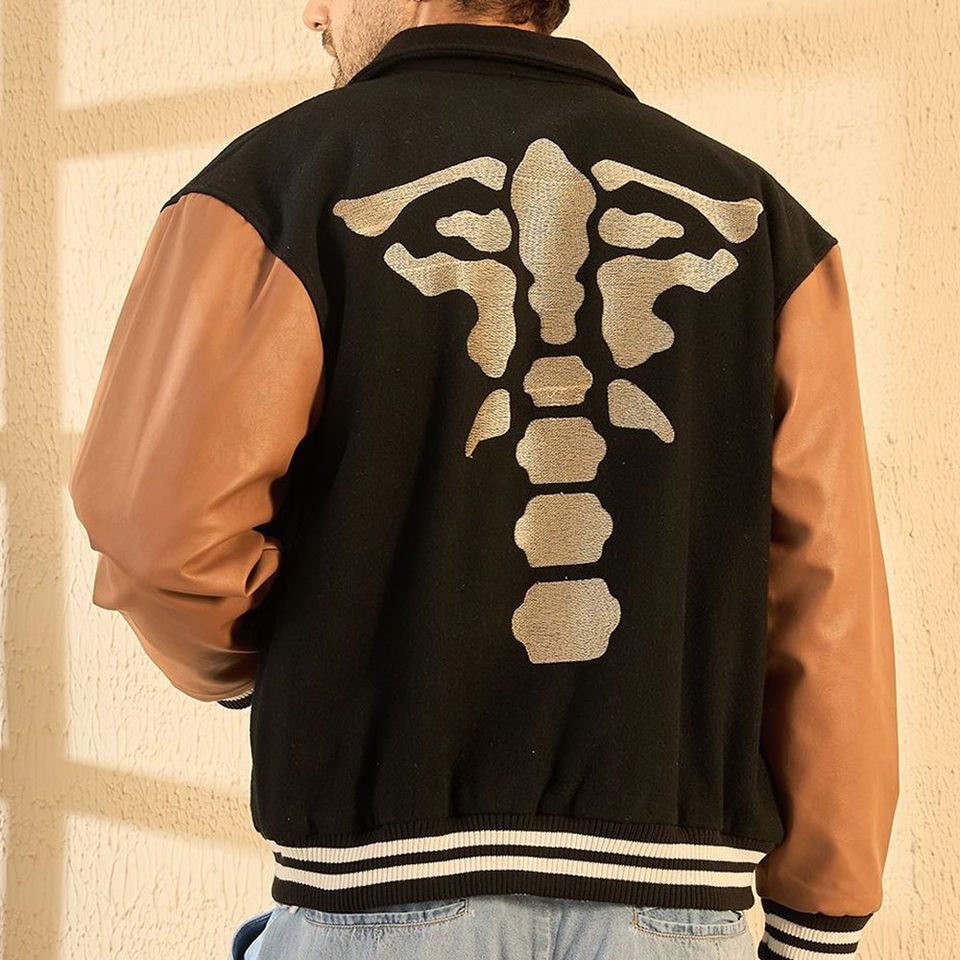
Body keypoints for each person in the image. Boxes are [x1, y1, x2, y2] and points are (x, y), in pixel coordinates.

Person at [68, 1, 900, 958]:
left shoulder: (277, 185)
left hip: (376, 907)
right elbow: (825, 593)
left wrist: (253, 667)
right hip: (671, 918)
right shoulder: (765, 225)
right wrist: (819, 919)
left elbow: (159, 535)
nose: (313, 14)